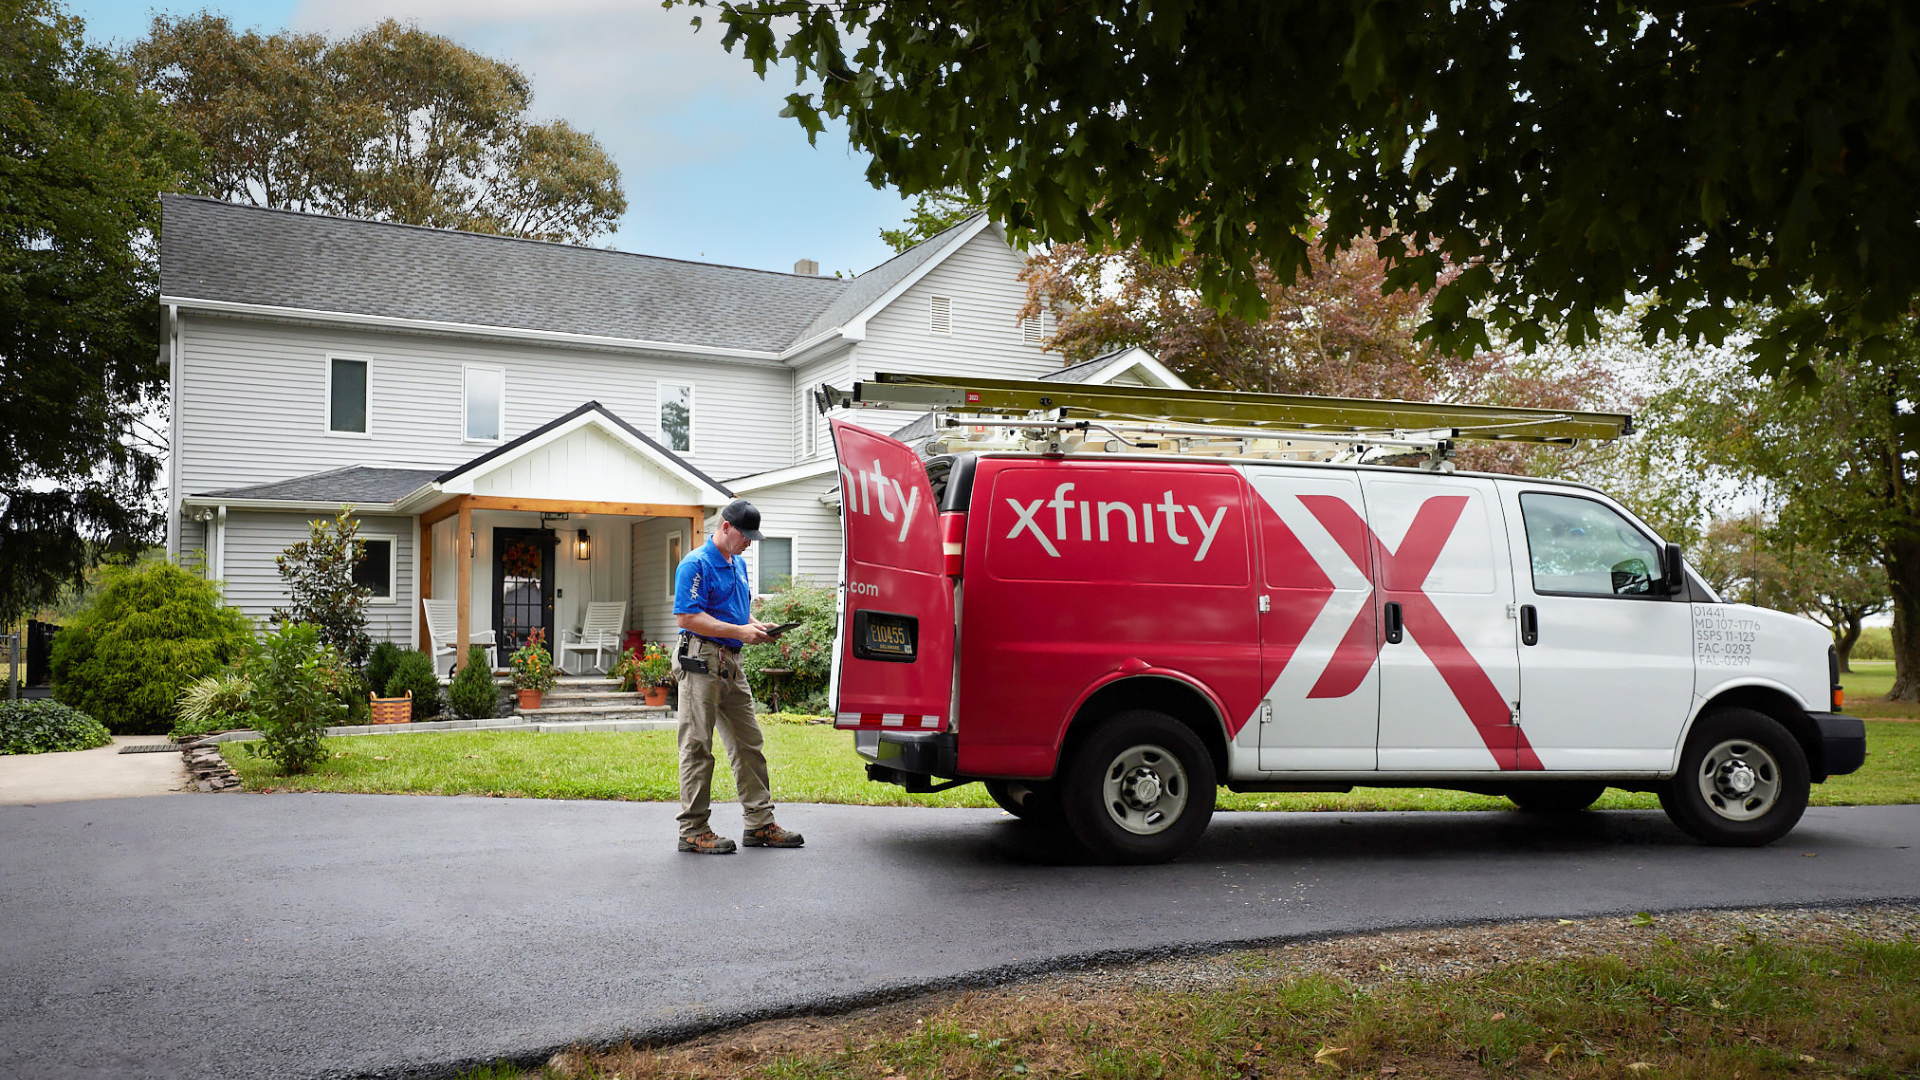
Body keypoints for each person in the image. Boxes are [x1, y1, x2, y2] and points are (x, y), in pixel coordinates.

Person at [670, 498, 804, 854]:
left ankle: (759, 824)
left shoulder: (738, 565)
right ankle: (693, 830)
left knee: (749, 743)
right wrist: (740, 632)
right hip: (701, 660)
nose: (749, 542)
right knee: (698, 746)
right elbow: (687, 617)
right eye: (745, 535)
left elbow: (736, 614)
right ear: (726, 527)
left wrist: (759, 627)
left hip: (732, 663)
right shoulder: (695, 564)